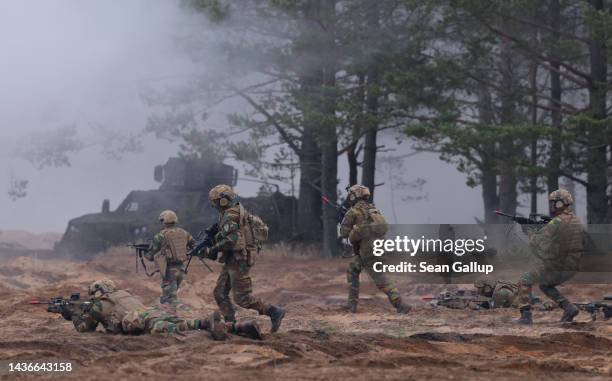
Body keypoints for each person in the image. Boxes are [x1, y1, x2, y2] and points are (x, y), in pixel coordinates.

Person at [204, 184, 286, 333]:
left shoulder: (231, 215)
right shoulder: (231, 212)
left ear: (223, 201)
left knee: (242, 298)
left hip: (238, 260)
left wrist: (212, 249)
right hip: (232, 259)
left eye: (216, 202)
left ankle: (273, 311)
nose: (214, 205)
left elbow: (231, 240)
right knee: (220, 293)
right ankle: (230, 323)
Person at [72, 279, 262, 339]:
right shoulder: (123, 294)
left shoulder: (98, 305)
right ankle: (240, 327)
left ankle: (204, 322)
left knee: (173, 329)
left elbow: (85, 330)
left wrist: (74, 315)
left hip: (146, 321)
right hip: (154, 311)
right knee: (179, 324)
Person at [339, 184, 411, 314]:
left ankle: (399, 304)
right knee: (363, 272)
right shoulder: (373, 209)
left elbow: (344, 234)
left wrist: (343, 219)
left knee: (369, 275)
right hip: (377, 249)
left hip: (365, 251)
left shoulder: (353, 211)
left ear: (354, 196)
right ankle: (352, 305)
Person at [517, 188, 584, 325]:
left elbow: (537, 240)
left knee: (525, 279)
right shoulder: (576, 221)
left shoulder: (557, 222)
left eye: (554, 202)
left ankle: (526, 316)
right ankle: (569, 308)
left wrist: (529, 232)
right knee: (545, 285)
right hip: (572, 265)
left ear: (560, 203)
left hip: (558, 264)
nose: (552, 205)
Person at [145, 210, 195, 305]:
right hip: (181, 269)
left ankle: (182, 315)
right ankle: (173, 314)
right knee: (168, 297)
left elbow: (150, 256)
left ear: (164, 221)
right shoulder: (184, 233)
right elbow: (194, 245)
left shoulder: (160, 236)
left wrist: (145, 253)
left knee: (170, 300)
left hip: (169, 271)